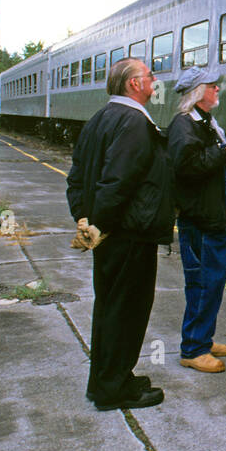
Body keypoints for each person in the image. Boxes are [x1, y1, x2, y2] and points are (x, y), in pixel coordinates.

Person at [66, 58, 174, 411]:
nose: (154, 81)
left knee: (110, 308)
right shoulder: (133, 122)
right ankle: (114, 389)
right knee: (127, 312)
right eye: (150, 76)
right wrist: (104, 224)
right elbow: (118, 182)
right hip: (128, 234)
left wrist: (85, 220)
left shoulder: (100, 118)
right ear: (133, 84)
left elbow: (77, 177)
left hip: (109, 234)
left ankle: (109, 379)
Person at [168, 66, 226, 374]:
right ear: (198, 92)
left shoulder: (205, 123)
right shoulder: (183, 125)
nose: (217, 90)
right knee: (202, 281)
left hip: (213, 214)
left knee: (213, 280)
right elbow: (185, 167)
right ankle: (193, 348)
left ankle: (203, 337)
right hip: (200, 217)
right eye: (212, 86)